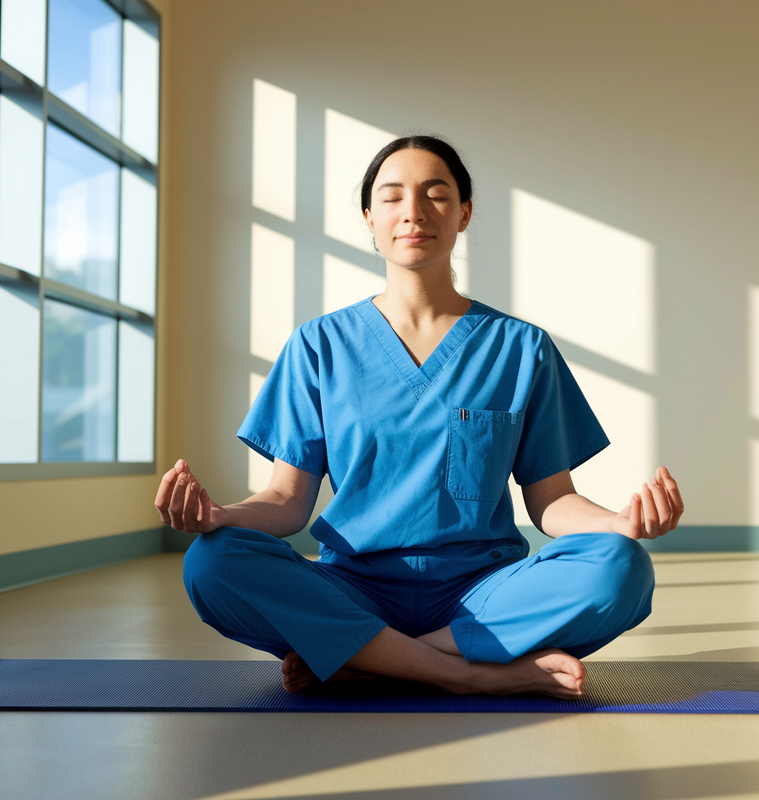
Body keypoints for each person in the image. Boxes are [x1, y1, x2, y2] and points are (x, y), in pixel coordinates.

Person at [155, 135, 684, 699]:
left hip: (483, 592)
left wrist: (619, 525)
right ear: (368, 217)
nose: (414, 212)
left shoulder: (521, 347)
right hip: (352, 587)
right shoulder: (318, 345)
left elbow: (551, 501)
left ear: (464, 214)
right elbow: (286, 503)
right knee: (213, 562)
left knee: (621, 568)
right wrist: (220, 516)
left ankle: (367, 657)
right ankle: (461, 670)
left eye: (436, 194)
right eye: (392, 197)